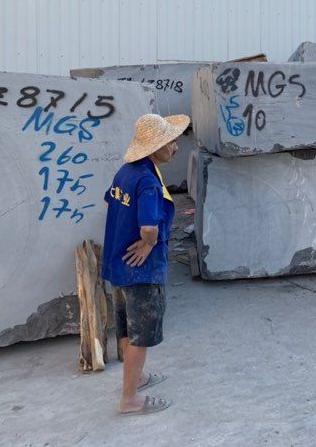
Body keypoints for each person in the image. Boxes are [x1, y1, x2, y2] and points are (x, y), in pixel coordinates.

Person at [102, 113, 190, 415]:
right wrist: (148, 244)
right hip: (141, 270)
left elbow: (109, 201)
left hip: (119, 264)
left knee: (127, 328)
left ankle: (136, 378)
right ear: (155, 147)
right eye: (171, 142)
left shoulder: (126, 172)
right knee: (141, 335)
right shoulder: (149, 183)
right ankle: (129, 400)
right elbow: (149, 228)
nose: (176, 147)